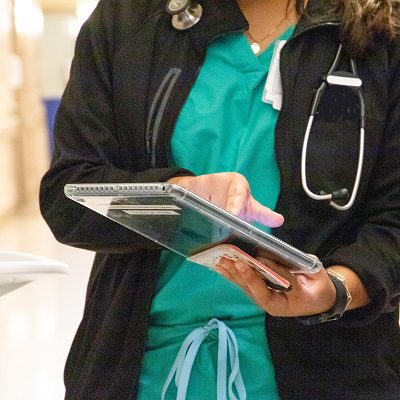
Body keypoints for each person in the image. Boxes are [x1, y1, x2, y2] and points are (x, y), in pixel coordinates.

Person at [39, 0, 400, 399]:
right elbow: (67, 196)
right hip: (144, 371)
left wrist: (335, 290)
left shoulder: (382, 37)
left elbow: (393, 222)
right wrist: (178, 196)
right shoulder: (128, 20)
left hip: (328, 372)